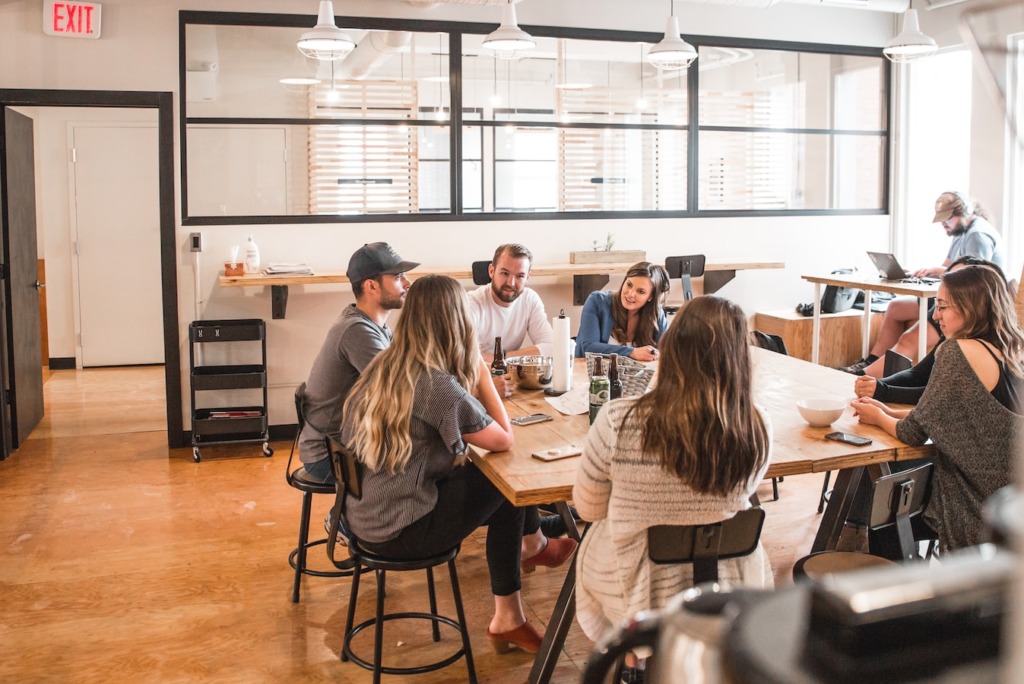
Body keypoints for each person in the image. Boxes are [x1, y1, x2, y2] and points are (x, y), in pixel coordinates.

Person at [340, 275, 577, 654]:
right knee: (503, 482)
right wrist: (481, 370)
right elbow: (503, 437)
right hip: (402, 529)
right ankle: (516, 595)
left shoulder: (385, 365)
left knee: (490, 481)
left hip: (365, 515)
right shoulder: (435, 384)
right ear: (458, 322)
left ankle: (524, 573)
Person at [573, 296, 774, 665]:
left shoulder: (619, 419)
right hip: (727, 582)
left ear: (671, 348)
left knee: (597, 538)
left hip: (639, 587)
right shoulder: (757, 425)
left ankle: (636, 655)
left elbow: (587, 507)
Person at [852, 265, 1024, 553]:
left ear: (971, 307)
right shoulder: (1007, 349)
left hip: (975, 504)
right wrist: (888, 411)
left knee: (881, 509)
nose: (935, 315)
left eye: (942, 306)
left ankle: (902, 592)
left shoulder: (957, 351)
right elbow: (953, 415)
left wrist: (877, 417)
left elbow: (912, 434)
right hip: (1009, 498)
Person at [842, 191, 1007, 377]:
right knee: (896, 307)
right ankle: (872, 361)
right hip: (955, 298)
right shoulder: (961, 232)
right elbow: (948, 266)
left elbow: (975, 280)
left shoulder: (978, 235)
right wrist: (924, 272)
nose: (944, 225)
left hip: (968, 305)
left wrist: (940, 272)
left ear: (965, 212)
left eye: (947, 219)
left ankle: (867, 377)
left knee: (908, 339)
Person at [297, 242, 418, 484]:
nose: (407, 283)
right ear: (371, 285)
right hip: (332, 457)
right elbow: (403, 389)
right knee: (428, 468)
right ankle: (349, 520)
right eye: (398, 276)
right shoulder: (357, 331)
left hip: (347, 446)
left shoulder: (374, 327)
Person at [853, 258, 1010, 405]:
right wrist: (876, 384)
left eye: (942, 305)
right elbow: (919, 375)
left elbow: (936, 401)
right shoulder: (960, 334)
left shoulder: (971, 349)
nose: (935, 316)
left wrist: (882, 391)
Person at [467, 243, 553, 399]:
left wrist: (503, 360)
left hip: (512, 385)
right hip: (476, 385)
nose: (511, 283)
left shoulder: (530, 299)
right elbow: (463, 357)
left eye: (519, 276)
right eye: (505, 273)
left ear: (528, 277)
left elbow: (551, 347)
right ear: (491, 271)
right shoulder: (471, 304)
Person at [575, 261, 670, 362]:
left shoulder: (656, 314)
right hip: (589, 374)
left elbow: (667, 352)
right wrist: (632, 352)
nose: (631, 294)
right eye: (629, 285)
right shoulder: (597, 301)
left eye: (641, 291)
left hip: (637, 376)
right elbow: (589, 348)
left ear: (650, 296)